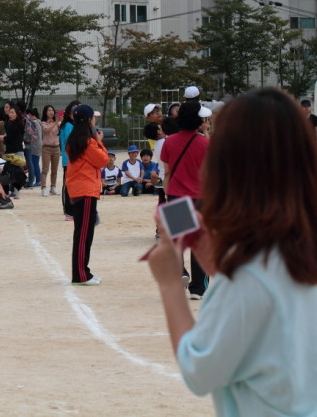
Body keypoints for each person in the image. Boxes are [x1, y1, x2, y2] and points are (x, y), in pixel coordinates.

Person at [147, 87, 317, 415]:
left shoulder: (249, 275)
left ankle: (191, 280)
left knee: (183, 238)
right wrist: (219, 269)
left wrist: (170, 283)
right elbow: (270, 313)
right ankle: (199, 280)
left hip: (179, 200)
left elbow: (199, 372)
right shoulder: (296, 245)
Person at [160, 100, 211, 300]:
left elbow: (167, 173)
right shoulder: (205, 143)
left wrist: (167, 194)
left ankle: (181, 272)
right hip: (200, 197)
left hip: (175, 194)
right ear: (199, 120)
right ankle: (198, 289)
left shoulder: (169, 141)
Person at [65, 104, 109, 285]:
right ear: (88, 120)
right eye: (93, 117)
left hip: (78, 190)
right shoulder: (87, 142)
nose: (95, 120)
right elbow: (103, 160)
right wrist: (99, 141)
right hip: (86, 191)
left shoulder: (74, 140)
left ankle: (83, 272)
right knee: (84, 234)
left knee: (82, 233)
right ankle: (81, 274)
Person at [59, 100, 80, 219]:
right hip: (69, 159)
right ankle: (68, 210)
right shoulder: (68, 125)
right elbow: (69, 142)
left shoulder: (70, 124)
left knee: (70, 184)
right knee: (68, 185)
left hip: (71, 159)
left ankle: (69, 209)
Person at [40, 105, 60, 197]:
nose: (51, 112)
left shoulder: (57, 123)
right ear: (45, 112)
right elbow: (47, 130)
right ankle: (43, 187)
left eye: (52, 110)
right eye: (49, 110)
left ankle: (53, 187)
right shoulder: (43, 123)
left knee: (54, 170)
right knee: (45, 169)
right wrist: (56, 122)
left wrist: (60, 121)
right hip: (46, 148)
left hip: (56, 148)